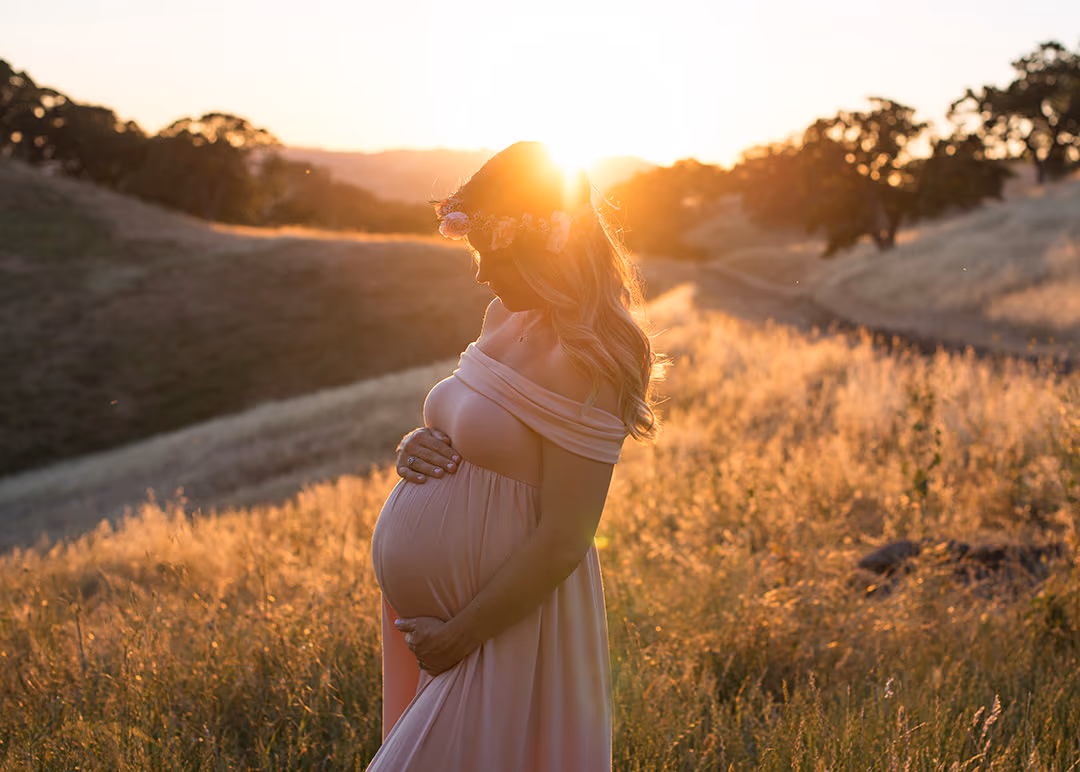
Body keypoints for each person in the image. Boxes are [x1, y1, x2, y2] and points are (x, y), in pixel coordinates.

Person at [367, 141, 661, 771]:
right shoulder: (501, 316)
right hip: (446, 630)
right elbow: (471, 427)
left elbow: (565, 537)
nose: (478, 272)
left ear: (542, 247)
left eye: (488, 253)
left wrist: (461, 634)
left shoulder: (597, 357)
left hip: (505, 632)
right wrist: (414, 446)